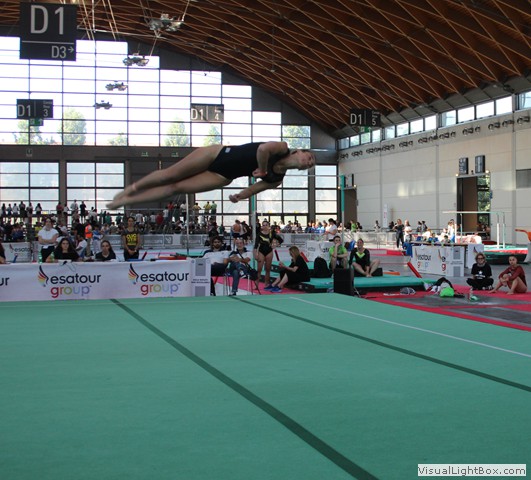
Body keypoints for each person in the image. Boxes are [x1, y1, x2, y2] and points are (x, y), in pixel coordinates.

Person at [106, 142, 315, 208]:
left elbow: (254, 189)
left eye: (311, 164)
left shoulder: (276, 180)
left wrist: (239, 196)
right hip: (217, 154)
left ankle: (125, 201)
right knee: (169, 175)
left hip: (223, 175)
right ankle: (132, 188)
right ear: (298, 152)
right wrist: (261, 168)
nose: (309, 162)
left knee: (174, 188)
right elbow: (262, 149)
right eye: (309, 157)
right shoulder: (282, 148)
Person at [254, 220, 283, 289]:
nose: (265, 226)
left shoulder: (272, 233)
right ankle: (256, 284)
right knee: (259, 269)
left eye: (266, 225)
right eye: (263, 225)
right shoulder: (259, 234)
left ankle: (266, 284)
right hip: (261, 252)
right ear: (262, 226)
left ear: (268, 226)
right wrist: (255, 254)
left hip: (269, 252)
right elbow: (256, 245)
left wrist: (275, 245)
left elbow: (281, 240)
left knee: (268, 269)